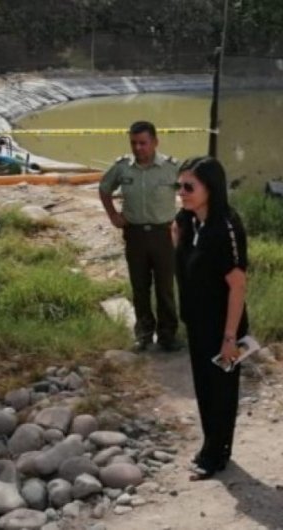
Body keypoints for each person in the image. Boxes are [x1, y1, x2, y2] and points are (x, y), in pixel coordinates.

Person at [173, 156, 249, 480]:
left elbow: (238, 285)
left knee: (223, 392)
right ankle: (211, 446)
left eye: (189, 187)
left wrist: (230, 337)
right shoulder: (186, 220)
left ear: (211, 188)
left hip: (224, 328)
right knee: (204, 388)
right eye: (179, 186)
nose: (182, 193)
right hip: (196, 321)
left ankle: (217, 455)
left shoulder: (227, 226)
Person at [99, 121, 182, 352]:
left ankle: (168, 336)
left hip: (164, 235)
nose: (138, 148)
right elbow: (104, 188)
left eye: (143, 143)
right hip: (135, 236)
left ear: (155, 142)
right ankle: (144, 334)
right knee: (140, 286)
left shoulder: (171, 167)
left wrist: (183, 222)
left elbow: (192, 190)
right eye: (134, 143)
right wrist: (113, 215)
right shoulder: (123, 167)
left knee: (165, 288)